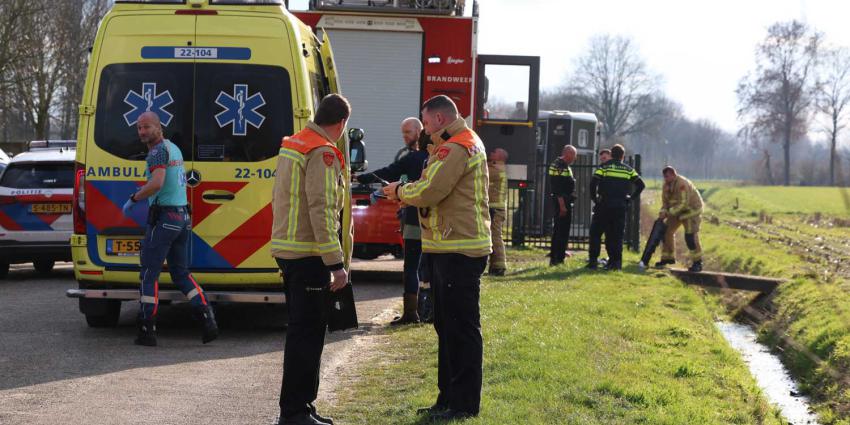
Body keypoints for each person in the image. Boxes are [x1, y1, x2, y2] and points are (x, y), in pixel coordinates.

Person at [384, 95, 491, 421]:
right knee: (446, 326)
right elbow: (432, 185)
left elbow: (431, 190)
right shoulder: (454, 144)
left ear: (441, 119)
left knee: (459, 328)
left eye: (427, 124)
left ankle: (463, 404)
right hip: (449, 247)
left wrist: (400, 192)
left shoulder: (457, 147)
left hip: (459, 249)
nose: (425, 131)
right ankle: (447, 398)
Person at [270, 94, 351, 425]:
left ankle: (302, 407)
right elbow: (322, 209)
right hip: (309, 255)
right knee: (307, 336)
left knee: (303, 333)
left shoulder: (297, 142)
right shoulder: (322, 151)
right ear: (342, 123)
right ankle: (295, 413)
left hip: (291, 251)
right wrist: (336, 263)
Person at [121, 111, 218, 347]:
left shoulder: (157, 151)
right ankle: (208, 320)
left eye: (146, 127)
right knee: (180, 273)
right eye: (139, 128)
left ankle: (147, 329)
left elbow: (156, 183)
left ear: (158, 127)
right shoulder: (173, 148)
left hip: (164, 219)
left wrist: (134, 198)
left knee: (149, 274)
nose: (142, 132)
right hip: (182, 217)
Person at [356, 117, 429, 325]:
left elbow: (388, 172)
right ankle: (428, 311)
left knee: (412, 265)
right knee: (429, 266)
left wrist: (360, 178)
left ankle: (411, 313)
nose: (405, 136)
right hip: (433, 221)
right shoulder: (436, 159)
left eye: (408, 132)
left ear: (419, 132)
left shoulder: (412, 158)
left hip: (414, 218)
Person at [587, 144, 645, 271]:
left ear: (611, 155)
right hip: (620, 207)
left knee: (596, 233)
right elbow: (641, 185)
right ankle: (616, 264)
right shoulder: (628, 170)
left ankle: (592, 263)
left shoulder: (604, 167)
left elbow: (592, 184)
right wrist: (631, 198)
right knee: (616, 236)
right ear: (623, 156)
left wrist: (595, 199)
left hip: (604, 205)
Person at [657, 166, 704, 272]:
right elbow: (665, 203)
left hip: (691, 211)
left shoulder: (682, 184)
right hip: (677, 212)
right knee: (666, 231)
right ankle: (667, 258)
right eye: (664, 177)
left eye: (667, 176)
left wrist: (669, 213)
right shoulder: (665, 186)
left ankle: (698, 263)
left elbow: (683, 203)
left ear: (674, 175)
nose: (665, 179)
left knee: (690, 237)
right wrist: (663, 211)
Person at [549, 145, 577, 266]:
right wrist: (562, 206)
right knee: (561, 231)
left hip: (564, 201)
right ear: (568, 154)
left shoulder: (562, 165)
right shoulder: (560, 166)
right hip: (562, 202)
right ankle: (557, 258)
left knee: (559, 230)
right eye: (573, 156)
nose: (574, 159)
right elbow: (557, 189)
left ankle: (557, 257)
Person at [487, 148, 509, 276]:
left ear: (500, 156)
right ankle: (494, 265)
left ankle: (499, 266)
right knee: (493, 237)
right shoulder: (497, 168)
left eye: (493, 152)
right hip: (496, 208)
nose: (491, 153)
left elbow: (484, 171)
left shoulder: (497, 170)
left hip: (496, 209)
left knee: (495, 237)